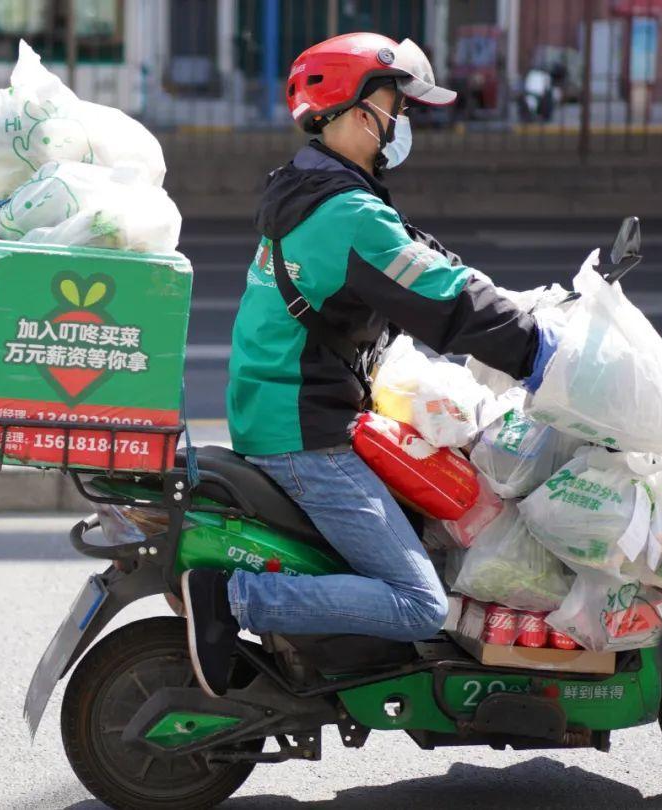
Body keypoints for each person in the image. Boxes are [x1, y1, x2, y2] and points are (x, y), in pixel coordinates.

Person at [181, 32, 560, 697]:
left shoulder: (311, 188)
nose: (403, 123)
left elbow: (425, 261)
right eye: (399, 107)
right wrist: (540, 352)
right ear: (360, 113)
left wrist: (509, 305)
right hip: (303, 434)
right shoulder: (347, 214)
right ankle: (236, 596)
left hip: (283, 410)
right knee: (421, 602)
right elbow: (443, 301)